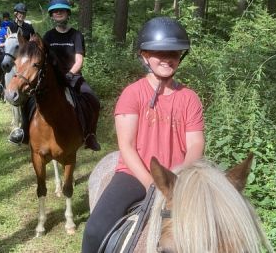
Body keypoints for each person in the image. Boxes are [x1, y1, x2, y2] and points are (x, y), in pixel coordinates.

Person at [81, 16, 205, 252]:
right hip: (135, 175)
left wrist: (181, 182)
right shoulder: (132, 94)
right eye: (159, 53)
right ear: (145, 56)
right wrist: (153, 184)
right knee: (95, 229)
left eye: (175, 53)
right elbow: (126, 146)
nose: (168, 58)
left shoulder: (190, 98)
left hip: (177, 179)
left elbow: (196, 143)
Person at [9, 0, 101, 151]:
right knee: (28, 100)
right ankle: (24, 131)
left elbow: (79, 60)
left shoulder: (76, 35)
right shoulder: (47, 37)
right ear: (52, 16)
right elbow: (38, 59)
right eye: (55, 12)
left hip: (73, 76)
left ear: (67, 14)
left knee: (93, 100)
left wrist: (70, 74)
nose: (58, 13)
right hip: (51, 78)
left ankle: (90, 135)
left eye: (62, 11)